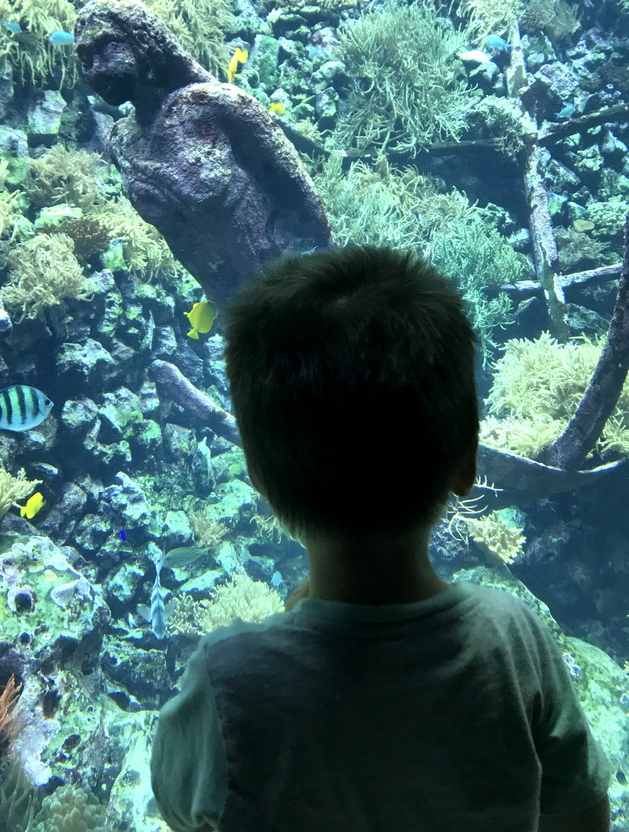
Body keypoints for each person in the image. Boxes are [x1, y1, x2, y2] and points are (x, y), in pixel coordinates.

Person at [150, 245, 611, 832]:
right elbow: (582, 816)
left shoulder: (226, 681)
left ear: (260, 479)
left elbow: (181, 807)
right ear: (469, 461)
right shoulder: (510, 638)